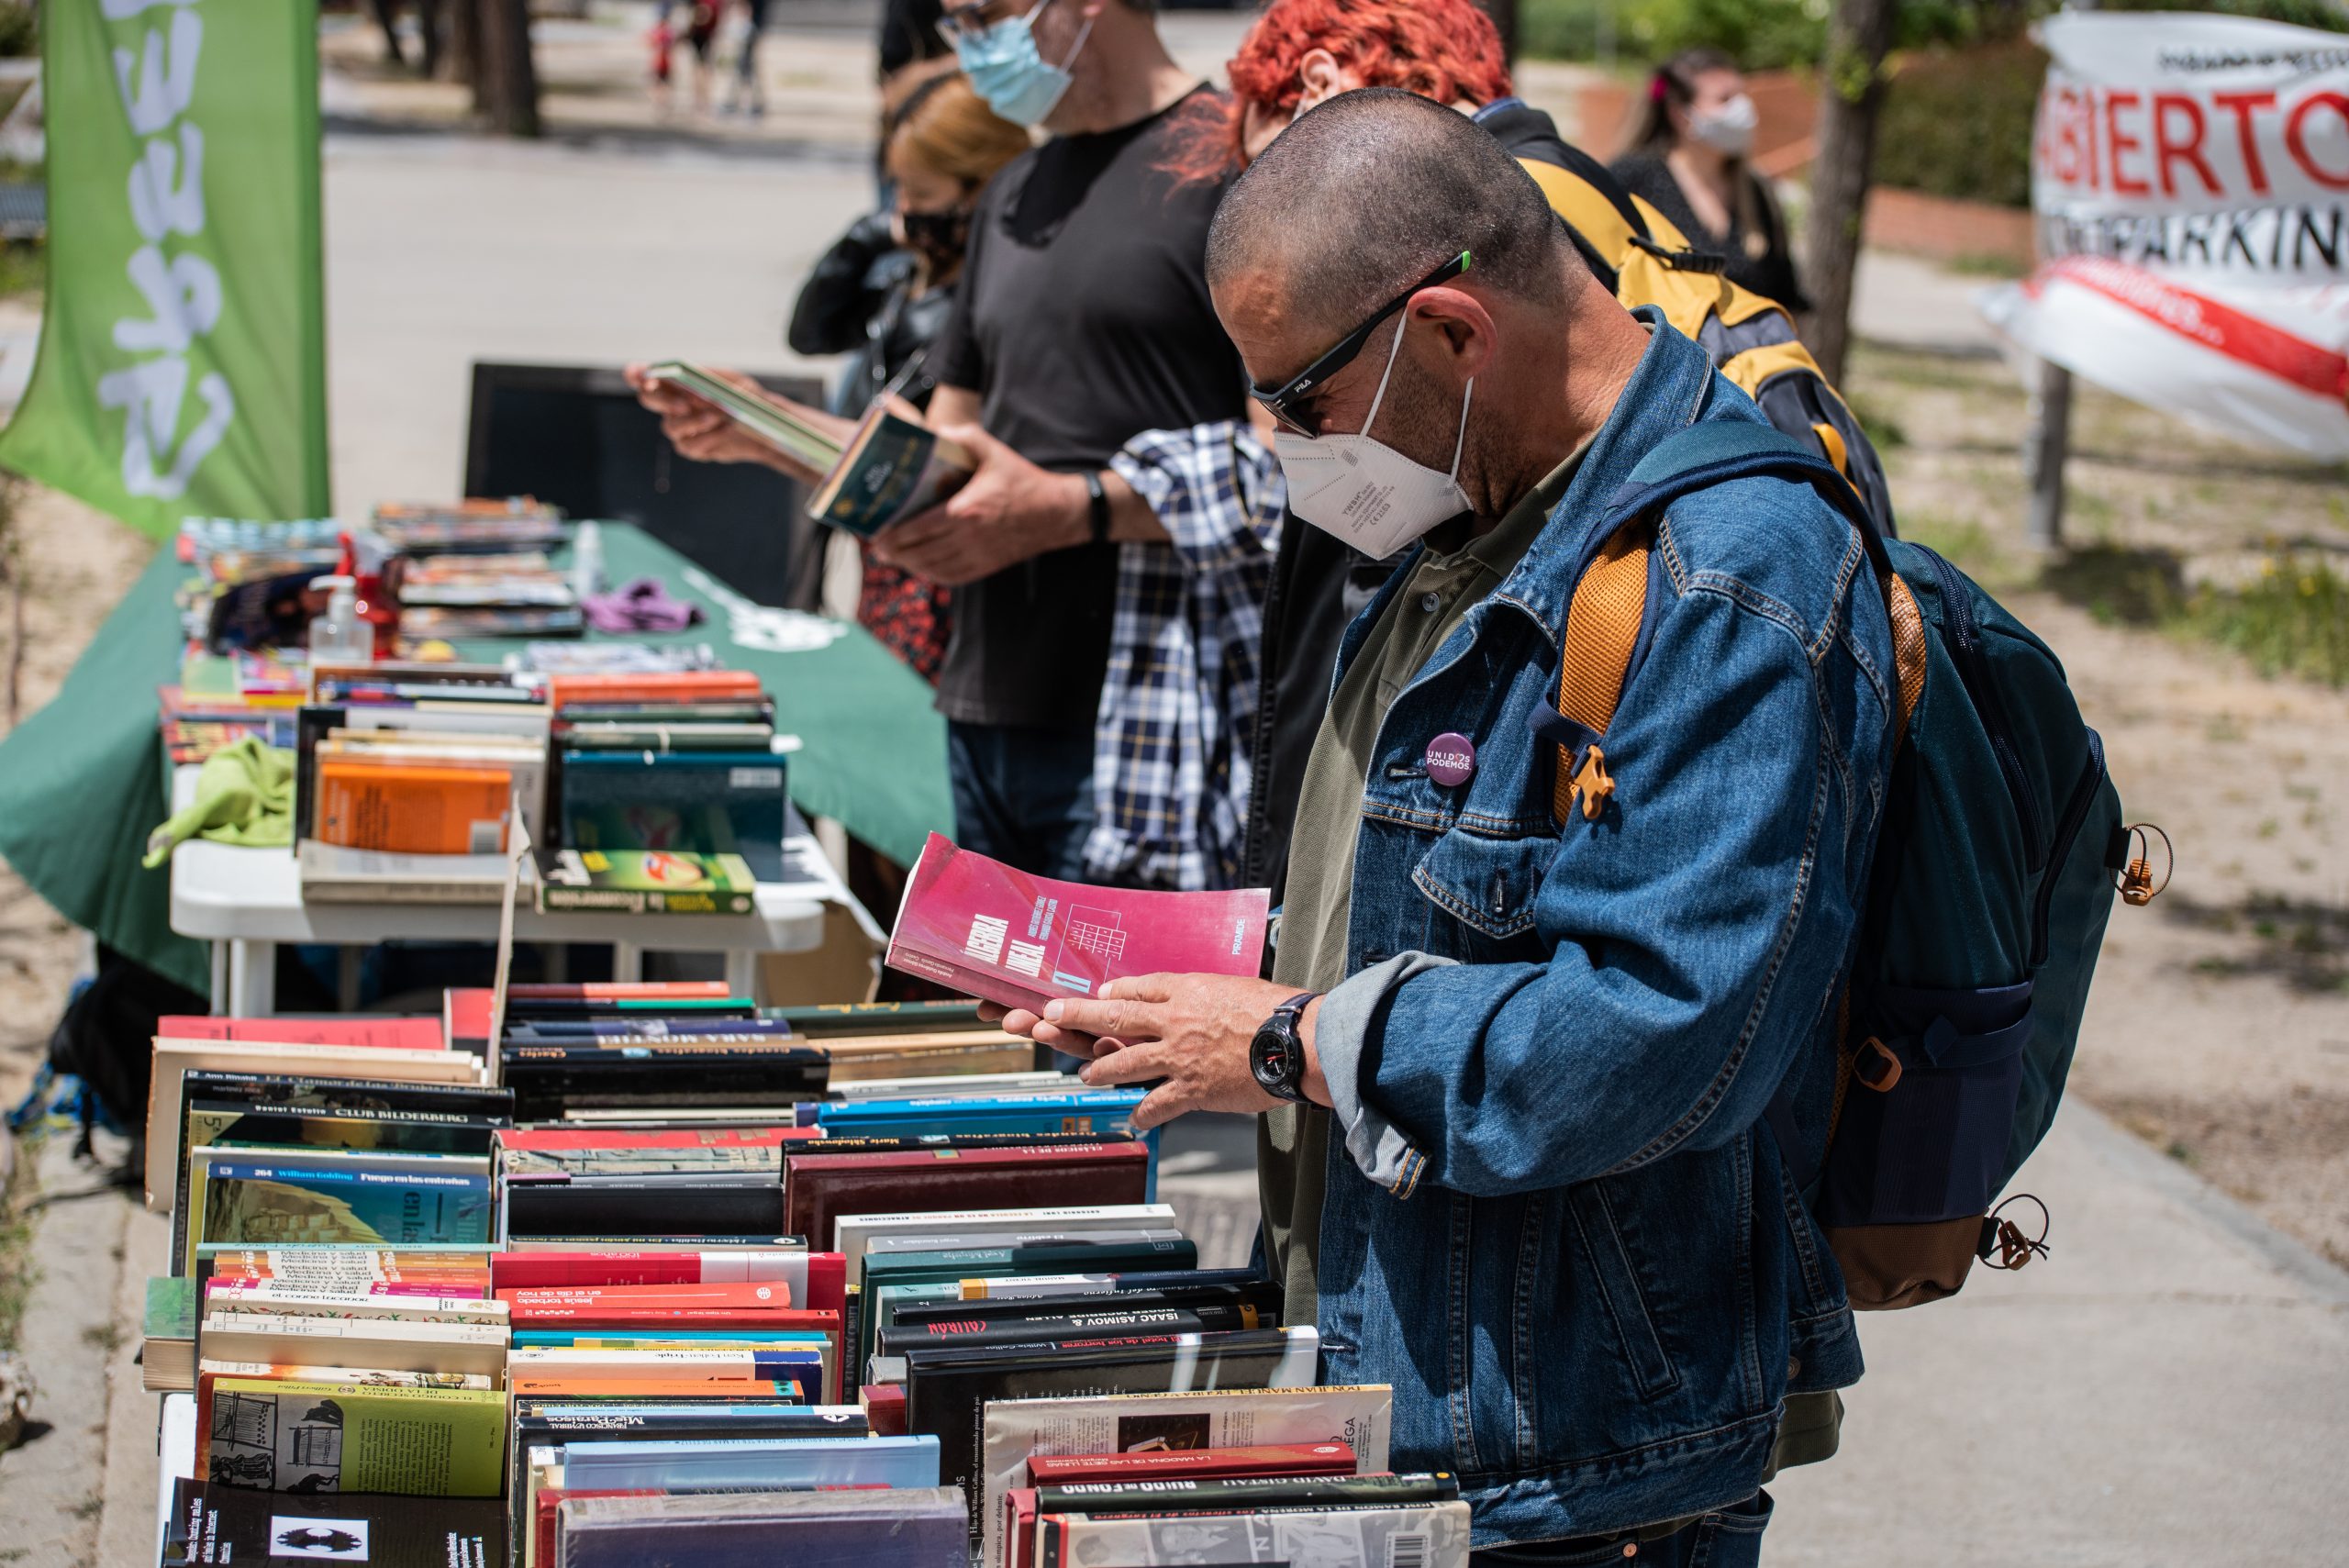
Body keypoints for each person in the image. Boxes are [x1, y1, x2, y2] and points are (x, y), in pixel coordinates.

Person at [991, 89, 1893, 1562]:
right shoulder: (1481, 506)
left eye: (1298, 402)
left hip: (1578, 1460)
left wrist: (1293, 1042)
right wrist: (1188, 989)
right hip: (1419, 1378)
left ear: (1453, 334)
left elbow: (1666, 1032)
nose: (1284, 448)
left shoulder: (1735, 576)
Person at [636, 0, 1255, 887]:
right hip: (985, 708)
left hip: (1149, 730)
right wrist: (768, 429)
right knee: (1013, 1027)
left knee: (1110, 1027)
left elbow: (1295, 468)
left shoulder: (1233, 172)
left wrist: (1074, 510)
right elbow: (945, 452)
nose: (967, 41)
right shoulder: (1015, 191)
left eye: (981, 14)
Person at [784, 67, 1030, 684]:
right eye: (898, 193)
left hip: (932, 562)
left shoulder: (989, 300)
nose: (905, 211)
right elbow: (810, 333)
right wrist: (863, 240)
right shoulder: (905, 277)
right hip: (878, 545)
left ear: (980, 193)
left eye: (921, 194)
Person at [1611, 49, 1809, 311]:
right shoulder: (1633, 179)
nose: (1742, 110)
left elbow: (1784, 293)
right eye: (1725, 99)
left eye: (1742, 96)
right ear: (1681, 115)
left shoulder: (1756, 192)